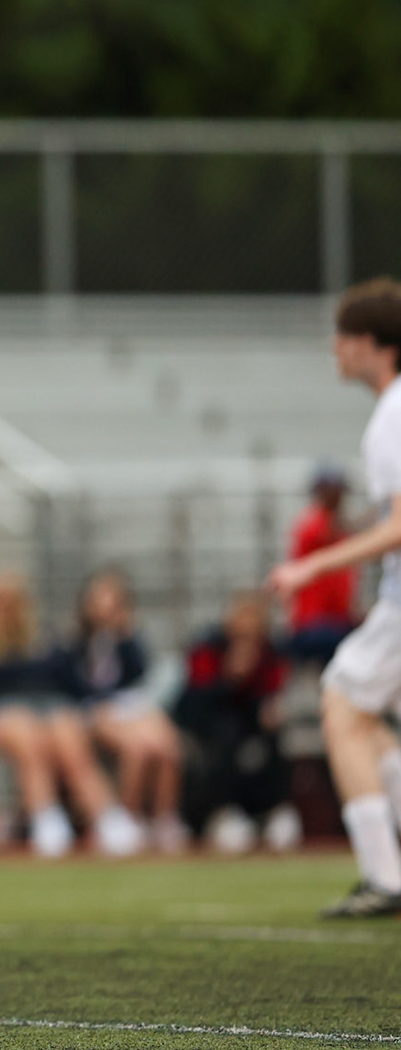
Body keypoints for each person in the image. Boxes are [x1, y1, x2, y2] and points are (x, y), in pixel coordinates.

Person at [269, 279, 401, 917]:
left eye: (346, 337)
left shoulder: (393, 413)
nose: (335, 348)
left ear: (376, 346)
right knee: (367, 717)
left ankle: (385, 875)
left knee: (343, 702)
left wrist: (310, 566)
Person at [0, 572, 142, 858]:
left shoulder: (46, 637)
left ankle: (108, 816)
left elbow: (69, 681)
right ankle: (46, 817)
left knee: (69, 738)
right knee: (28, 738)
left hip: (49, 705)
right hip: (4, 709)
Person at [69, 569, 188, 853]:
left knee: (166, 746)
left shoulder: (130, 640)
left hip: (132, 705)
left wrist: (123, 635)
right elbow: (77, 685)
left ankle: (164, 817)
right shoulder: (76, 643)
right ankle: (128, 817)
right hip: (98, 709)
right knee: (137, 750)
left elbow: (139, 674)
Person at [172, 591, 300, 853]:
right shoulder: (207, 648)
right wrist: (230, 678)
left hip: (251, 726)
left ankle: (273, 810)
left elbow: (270, 695)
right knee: (227, 735)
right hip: (210, 726)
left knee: (274, 741)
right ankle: (223, 812)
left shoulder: (270, 652)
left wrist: (267, 709)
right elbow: (194, 703)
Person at [286, 466, 361, 664]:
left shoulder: (337, 527)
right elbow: (327, 533)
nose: (337, 497)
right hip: (314, 623)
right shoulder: (313, 523)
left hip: (339, 619)